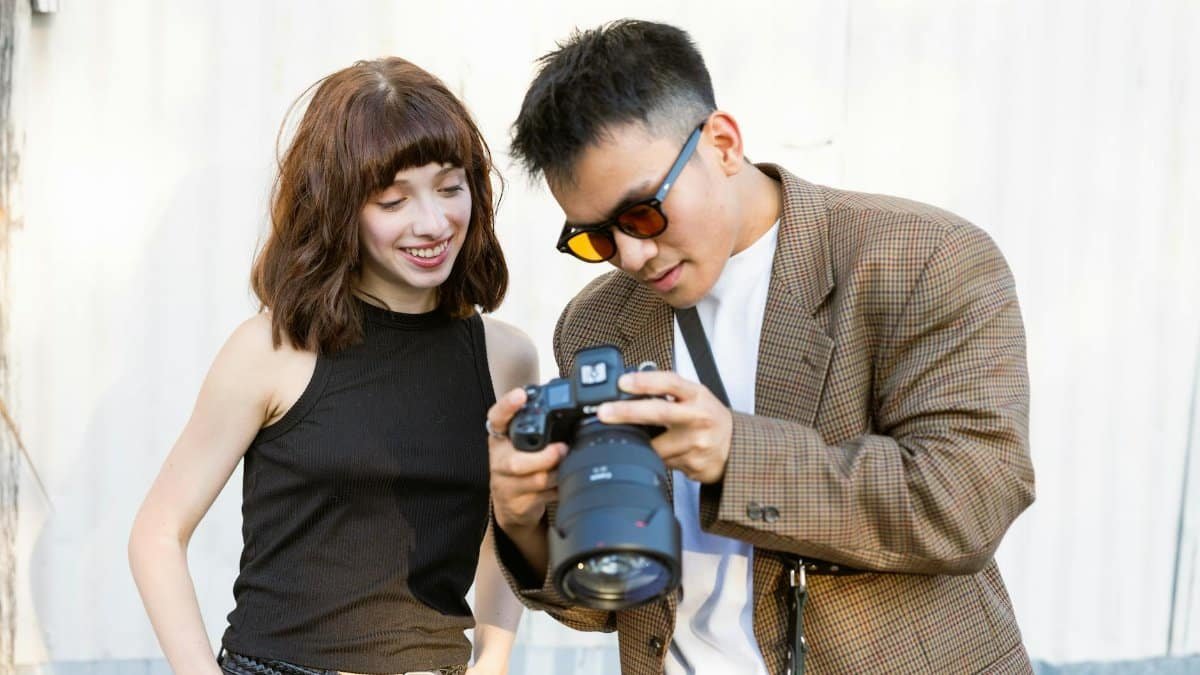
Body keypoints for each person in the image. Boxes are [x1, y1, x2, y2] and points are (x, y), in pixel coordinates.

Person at [485, 20, 1036, 675]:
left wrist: (733, 454)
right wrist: (521, 521)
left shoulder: (920, 259)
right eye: (595, 237)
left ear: (722, 142)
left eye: (641, 214)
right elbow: (605, 603)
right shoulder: (595, 322)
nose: (629, 255)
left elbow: (970, 497)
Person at [129, 57, 531, 675]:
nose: (433, 222)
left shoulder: (506, 357)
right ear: (339, 206)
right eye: (394, 200)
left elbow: (508, 529)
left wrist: (494, 658)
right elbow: (157, 533)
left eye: (451, 188)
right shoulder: (271, 347)